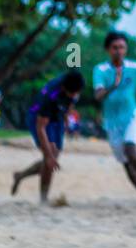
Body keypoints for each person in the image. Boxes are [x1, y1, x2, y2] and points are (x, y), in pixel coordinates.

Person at [92, 32, 136, 198]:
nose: (119, 51)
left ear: (126, 49)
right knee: (126, 163)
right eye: (115, 48)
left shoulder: (135, 67)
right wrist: (113, 85)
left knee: (130, 148)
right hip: (112, 121)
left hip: (132, 114)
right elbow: (98, 96)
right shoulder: (100, 69)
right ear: (108, 50)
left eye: (122, 47)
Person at [12, 70, 84, 202]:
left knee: (52, 158)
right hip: (38, 117)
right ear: (63, 88)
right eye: (72, 93)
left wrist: (67, 116)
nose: (75, 95)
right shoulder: (50, 96)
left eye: (76, 93)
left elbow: (71, 101)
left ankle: (20, 175)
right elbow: (41, 128)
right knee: (49, 158)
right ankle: (43, 198)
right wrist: (49, 156)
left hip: (57, 116)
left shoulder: (74, 83)